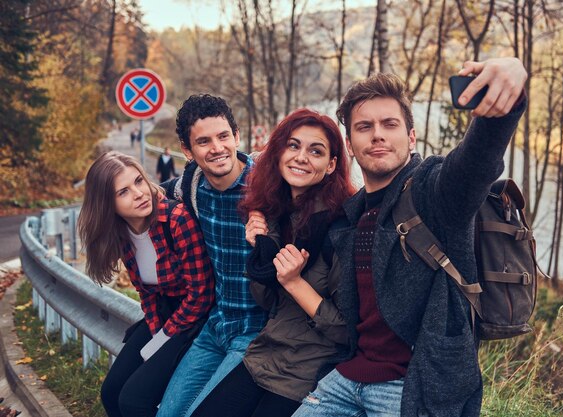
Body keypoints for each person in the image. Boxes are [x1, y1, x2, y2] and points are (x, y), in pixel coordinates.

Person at [291, 57, 528, 417]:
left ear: (411, 137)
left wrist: (509, 90)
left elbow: (476, 162)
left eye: (390, 124)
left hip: (414, 386)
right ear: (350, 146)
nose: (378, 134)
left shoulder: (433, 193)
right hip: (346, 378)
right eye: (364, 127)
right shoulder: (352, 214)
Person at [189, 108, 357, 417]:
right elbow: (268, 301)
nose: (301, 157)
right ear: (278, 153)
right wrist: (261, 247)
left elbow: (347, 331)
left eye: (315, 151)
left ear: (332, 165)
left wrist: (294, 282)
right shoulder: (278, 215)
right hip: (266, 354)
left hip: (310, 368)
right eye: (293, 145)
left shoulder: (341, 228)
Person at [77, 151, 214, 417]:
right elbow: (145, 292)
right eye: (123, 192)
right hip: (164, 313)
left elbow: (202, 294)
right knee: (111, 392)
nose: (139, 194)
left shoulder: (176, 219)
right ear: (107, 205)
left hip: (196, 318)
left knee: (134, 401)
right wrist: (154, 329)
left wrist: (163, 336)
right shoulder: (121, 233)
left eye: (139, 181)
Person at [157, 95, 267, 417]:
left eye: (223, 137)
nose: (216, 148)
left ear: (236, 136)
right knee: (167, 413)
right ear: (187, 151)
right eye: (203, 142)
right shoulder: (192, 185)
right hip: (216, 326)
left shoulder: (267, 184)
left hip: (256, 333)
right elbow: (154, 194)